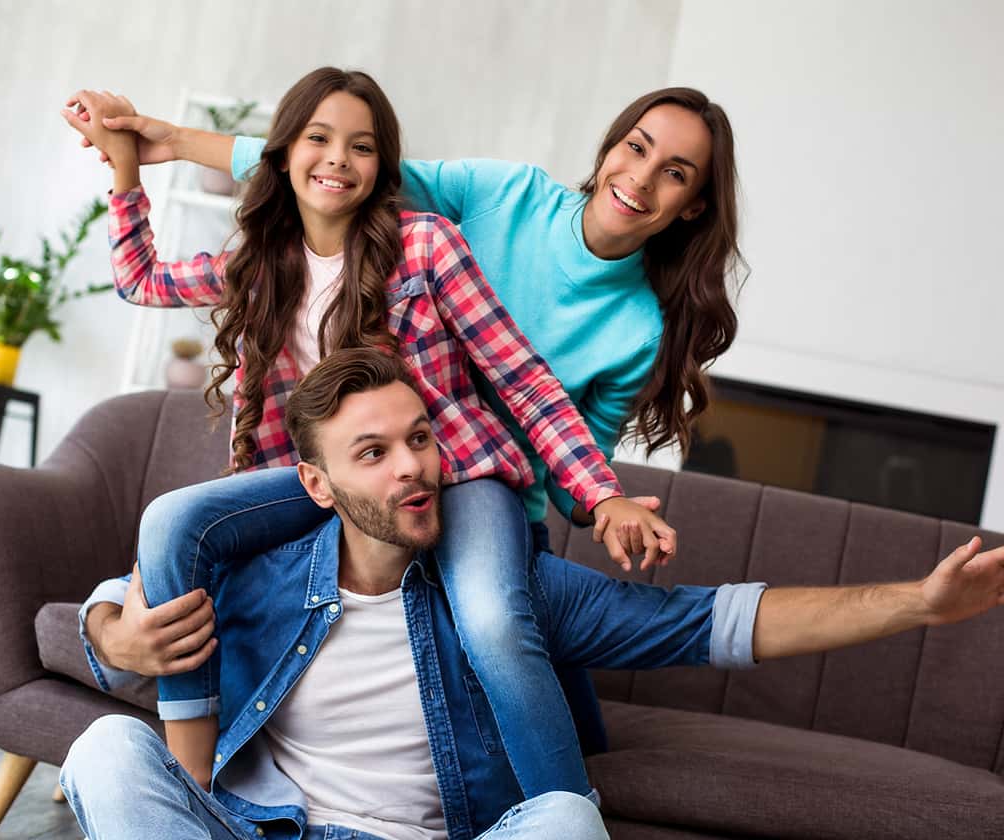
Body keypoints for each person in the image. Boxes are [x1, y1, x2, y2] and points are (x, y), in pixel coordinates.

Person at [61, 346, 1004, 840]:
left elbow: (710, 623)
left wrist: (918, 605)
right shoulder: (257, 571)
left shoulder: (511, 593)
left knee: (561, 819)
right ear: (317, 485)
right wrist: (114, 634)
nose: (413, 468)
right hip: (255, 829)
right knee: (106, 750)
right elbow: (111, 606)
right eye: (374, 454)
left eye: (421, 438)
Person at [68, 77, 739, 757]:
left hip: (474, 479)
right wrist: (152, 151)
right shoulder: (497, 198)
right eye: (637, 148)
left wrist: (601, 499)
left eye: (675, 173)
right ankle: (189, 782)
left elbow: (529, 388)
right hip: (332, 478)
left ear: (692, 205)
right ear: (609, 149)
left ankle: (563, 803)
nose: (643, 177)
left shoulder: (450, 258)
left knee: (499, 618)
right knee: (175, 527)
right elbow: (293, 172)